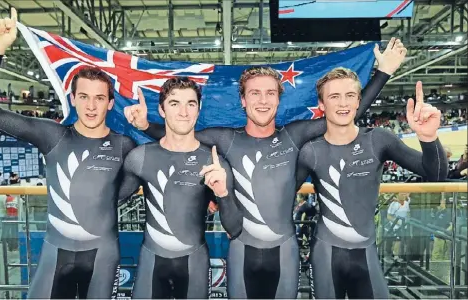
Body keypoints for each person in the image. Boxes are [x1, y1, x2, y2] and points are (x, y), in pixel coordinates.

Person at [124, 39, 406, 298]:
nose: (262, 100)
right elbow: (180, 134)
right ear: (243, 101)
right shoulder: (225, 139)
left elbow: (344, 115)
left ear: (279, 99)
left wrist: (384, 72)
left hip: (285, 252)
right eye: (255, 93)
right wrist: (146, 126)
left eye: (270, 93)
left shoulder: (294, 136)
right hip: (241, 251)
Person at [0, 8, 140, 299]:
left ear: (111, 103)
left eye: (100, 98)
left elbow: (162, 164)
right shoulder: (54, 135)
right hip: (55, 253)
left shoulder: (125, 146)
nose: (91, 106)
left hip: (103, 256)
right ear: (73, 99)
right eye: (83, 97)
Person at [295, 74, 448, 298]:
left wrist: (429, 137)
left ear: (359, 101)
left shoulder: (378, 140)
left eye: (350, 95)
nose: (343, 103)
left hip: (366, 254)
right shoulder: (310, 152)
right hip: (326, 257)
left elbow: (435, 174)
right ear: (321, 104)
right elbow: (281, 195)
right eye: (334, 96)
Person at [123, 78, 242, 299]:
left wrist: (223, 193)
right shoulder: (139, 157)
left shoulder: (214, 161)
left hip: (194, 263)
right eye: (174, 103)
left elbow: (234, 229)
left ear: (199, 109)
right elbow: (109, 200)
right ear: (161, 109)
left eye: (191, 103)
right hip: (152, 263)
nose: (184, 112)